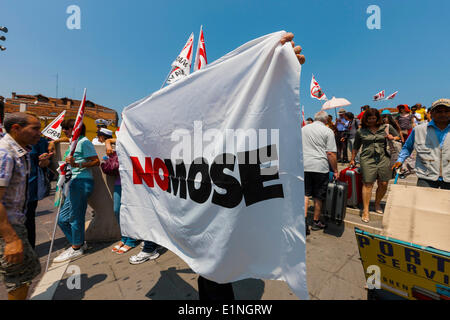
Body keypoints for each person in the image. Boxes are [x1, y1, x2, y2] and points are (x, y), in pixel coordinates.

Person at [194, 31, 306, 301]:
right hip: (208, 209)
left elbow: (263, 121)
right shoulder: (195, 127)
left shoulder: (246, 126)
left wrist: (278, 75)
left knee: (224, 262)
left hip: (239, 203)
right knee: (212, 271)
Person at [0, 112, 42, 300]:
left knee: (26, 271)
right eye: (34, 128)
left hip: (16, 222)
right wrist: (10, 239)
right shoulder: (5, 153)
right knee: (19, 276)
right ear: (16, 128)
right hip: (7, 226)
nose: (39, 133)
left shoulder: (21, 151)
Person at [53, 119, 100, 263]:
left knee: (75, 216)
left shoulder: (84, 142)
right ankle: (78, 242)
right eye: (64, 129)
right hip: (72, 182)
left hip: (81, 181)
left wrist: (78, 164)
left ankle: (76, 247)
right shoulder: (73, 143)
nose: (65, 131)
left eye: (67, 128)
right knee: (62, 219)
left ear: (76, 129)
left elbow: (96, 161)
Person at [350, 108, 398, 223]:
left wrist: (392, 137)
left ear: (377, 118)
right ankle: (366, 210)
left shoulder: (386, 127)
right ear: (365, 119)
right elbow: (356, 146)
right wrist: (352, 159)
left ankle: (377, 203)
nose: (372, 120)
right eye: (369, 118)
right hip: (367, 159)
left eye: (374, 118)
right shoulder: (361, 131)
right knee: (368, 184)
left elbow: (398, 137)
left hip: (384, 157)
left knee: (384, 182)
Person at [393, 98, 450, 189]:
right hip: (426, 176)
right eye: (439, 111)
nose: (443, 114)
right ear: (431, 113)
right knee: (424, 202)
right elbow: (407, 147)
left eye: (447, 111)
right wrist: (400, 160)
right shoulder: (419, 130)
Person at [102, 138, 139, 255]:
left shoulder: (134, 135)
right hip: (119, 181)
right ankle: (124, 238)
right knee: (117, 210)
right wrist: (108, 145)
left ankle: (132, 240)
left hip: (133, 181)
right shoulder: (122, 135)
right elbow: (108, 140)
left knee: (131, 211)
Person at [303, 111, 338, 231]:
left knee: (305, 194)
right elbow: (330, 153)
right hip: (320, 166)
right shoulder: (327, 131)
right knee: (318, 196)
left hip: (304, 165)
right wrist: (336, 170)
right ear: (326, 120)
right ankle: (316, 221)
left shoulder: (304, 129)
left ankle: (303, 221)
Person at [380, 110, 402, 177]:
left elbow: (399, 136)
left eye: (385, 117)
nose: (384, 118)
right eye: (383, 117)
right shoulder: (378, 126)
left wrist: (393, 138)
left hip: (389, 148)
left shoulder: (389, 126)